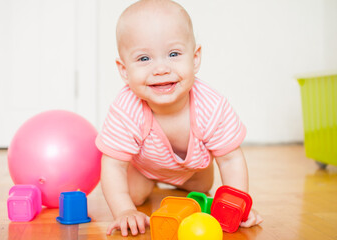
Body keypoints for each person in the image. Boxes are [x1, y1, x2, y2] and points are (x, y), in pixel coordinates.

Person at [96, 0, 263, 236]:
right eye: (144, 59)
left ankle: (185, 180)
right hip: (145, 167)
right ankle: (151, 182)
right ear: (124, 70)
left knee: (201, 188)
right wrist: (124, 210)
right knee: (133, 194)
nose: (161, 69)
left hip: (194, 170)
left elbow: (230, 159)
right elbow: (112, 164)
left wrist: (238, 208)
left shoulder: (211, 106)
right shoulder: (127, 109)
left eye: (173, 54)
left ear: (195, 59)